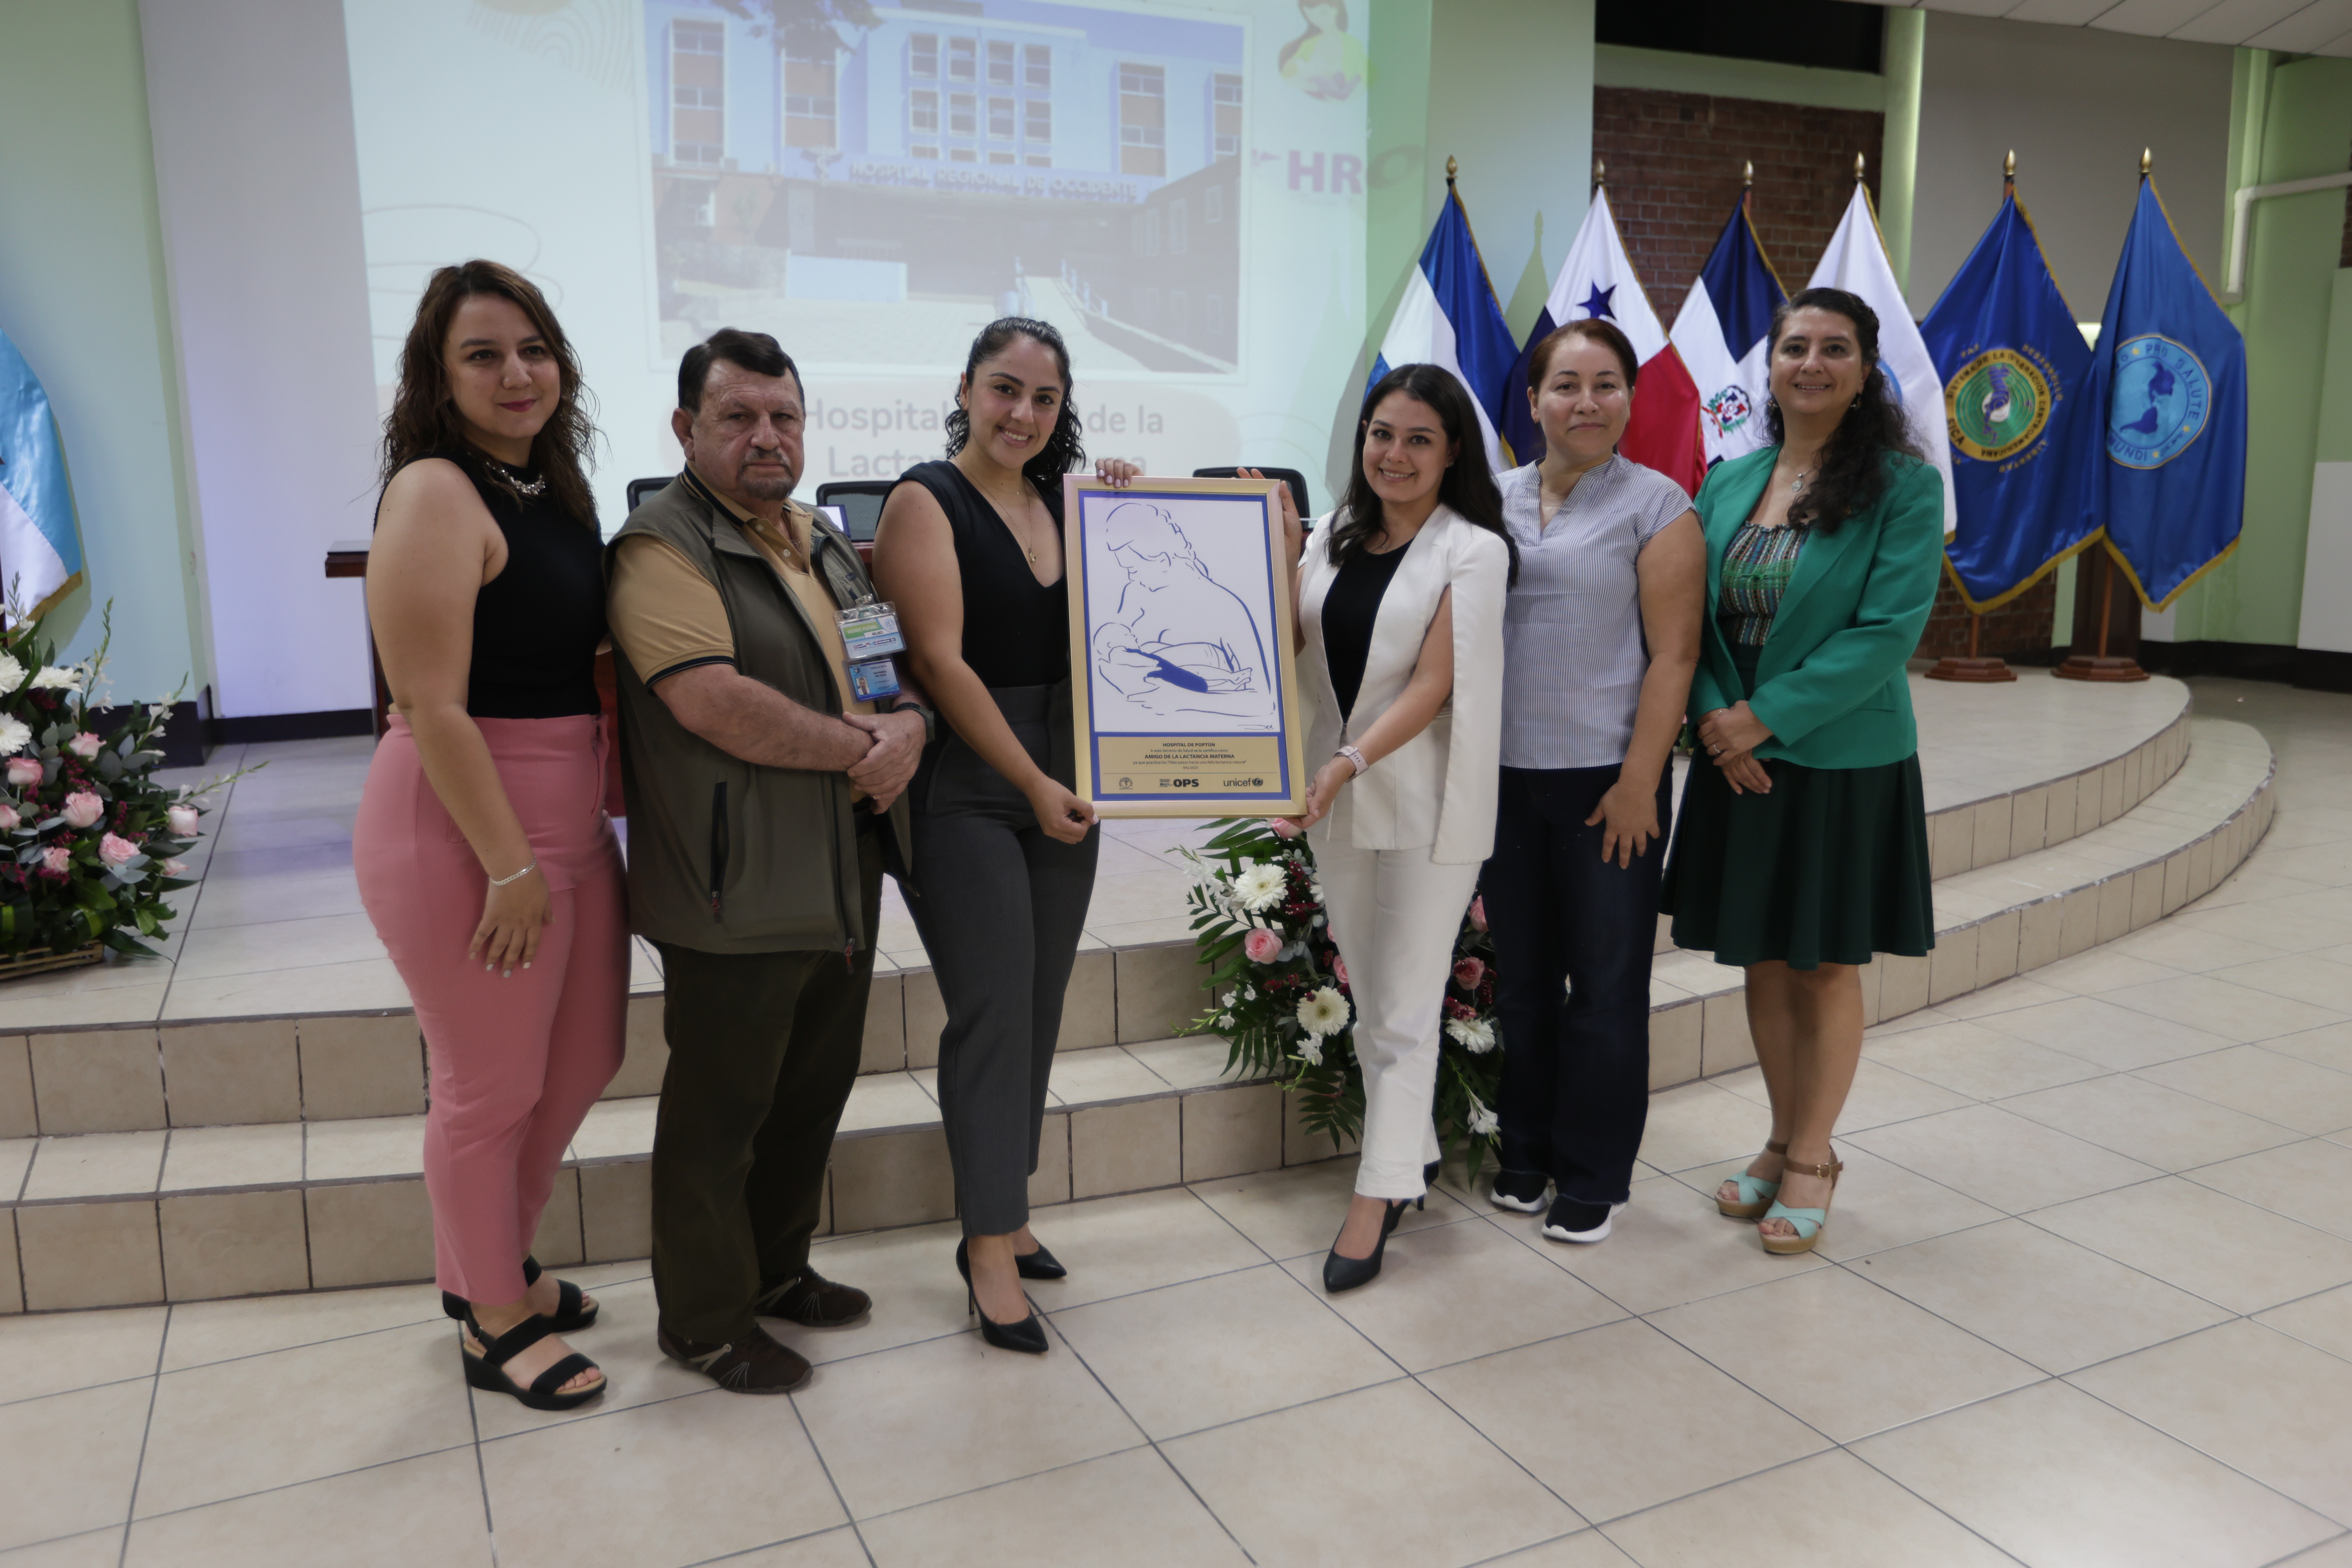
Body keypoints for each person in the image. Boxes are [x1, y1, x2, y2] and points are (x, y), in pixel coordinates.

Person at [606, 328, 931, 1391]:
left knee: (809, 1092)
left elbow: (883, 667)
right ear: (686, 428)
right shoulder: (662, 546)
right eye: (738, 416)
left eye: (783, 416)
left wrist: (911, 729)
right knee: (721, 1113)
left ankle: (777, 1272)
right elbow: (713, 703)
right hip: (734, 882)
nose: (766, 436)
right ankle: (702, 1319)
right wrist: (865, 752)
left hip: (840, 872)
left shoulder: (823, 539)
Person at [354, 259, 623, 1413]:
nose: (516, 374)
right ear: (437, 376)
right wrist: (510, 864)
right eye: (482, 355)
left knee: (585, 1059)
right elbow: (431, 704)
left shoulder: (550, 490)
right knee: (488, 1086)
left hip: (567, 813)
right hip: (464, 823)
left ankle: (486, 1265)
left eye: (532, 349)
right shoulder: (432, 491)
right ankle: (492, 1316)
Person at [871, 318, 1138, 1354]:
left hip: (1063, 781)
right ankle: (985, 1246)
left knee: (1036, 1005)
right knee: (989, 1011)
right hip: (970, 787)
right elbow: (937, 664)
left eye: (1044, 398)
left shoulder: (1070, 506)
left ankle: (1009, 1208)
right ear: (969, 391)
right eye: (1003, 389)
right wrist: (1032, 780)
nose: (1021, 413)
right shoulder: (923, 501)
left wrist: (1131, 504)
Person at [1661, 287, 1942, 1256]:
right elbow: (1684, 623)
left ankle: (1817, 1153)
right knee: (1764, 956)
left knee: (1822, 961)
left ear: (1866, 370)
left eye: (1834, 348)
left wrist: (1760, 719)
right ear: (1769, 366)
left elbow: (1887, 632)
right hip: (1734, 756)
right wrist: (1711, 718)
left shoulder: (1905, 486)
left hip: (1837, 757)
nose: (1811, 364)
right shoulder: (1729, 482)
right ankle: (1780, 1135)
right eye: (1794, 347)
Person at [1276, 362, 1513, 1294]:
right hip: (1336, 800)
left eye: (1419, 437)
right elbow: (1279, 639)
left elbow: (1433, 683)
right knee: (1375, 996)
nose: (1396, 453)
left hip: (1424, 802)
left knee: (1409, 1008)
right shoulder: (1330, 537)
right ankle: (1408, 1154)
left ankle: (1374, 1198)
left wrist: (1342, 764)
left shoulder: (1474, 550)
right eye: (1382, 433)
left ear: (1453, 450)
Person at [1482, 320, 1704, 1246]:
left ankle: (1595, 1171)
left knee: (1606, 989)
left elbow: (1675, 655)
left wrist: (1639, 780)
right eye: (1564, 384)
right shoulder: (1486, 500)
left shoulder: (1659, 505)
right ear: (1532, 401)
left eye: (1605, 383)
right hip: (1498, 780)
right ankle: (1525, 1153)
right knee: (1523, 984)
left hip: (1606, 782)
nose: (1585, 401)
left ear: (1629, 399)